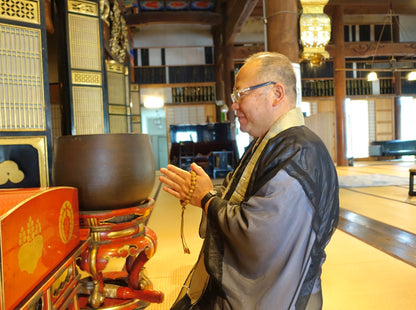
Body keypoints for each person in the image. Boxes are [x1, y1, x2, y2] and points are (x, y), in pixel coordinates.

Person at [159, 52, 339, 310]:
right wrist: (205, 193)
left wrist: (208, 200)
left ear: (276, 94)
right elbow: (241, 198)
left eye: (240, 94)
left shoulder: (300, 151)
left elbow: (258, 236)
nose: (233, 105)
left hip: (278, 294)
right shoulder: (267, 144)